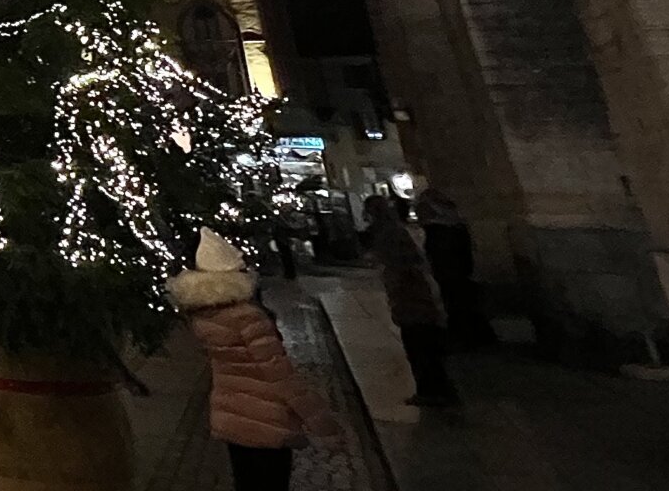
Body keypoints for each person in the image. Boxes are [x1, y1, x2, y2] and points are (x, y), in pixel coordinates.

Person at [170, 227, 341, 491]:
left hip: (232, 416)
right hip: (266, 420)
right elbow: (280, 373)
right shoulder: (247, 317)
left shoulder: (204, 317)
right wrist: (321, 422)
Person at [364, 195, 459, 407]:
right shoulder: (396, 231)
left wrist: (398, 289)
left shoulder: (391, 234)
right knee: (421, 343)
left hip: (412, 297)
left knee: (420, 343)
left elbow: (403, 266)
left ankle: (433, 390)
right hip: (413, 296)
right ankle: (436, 389)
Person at [413, 188, 490, 347]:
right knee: (462, 303)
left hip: (450, 273)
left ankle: (466, 336)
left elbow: (442, 254)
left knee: (458, 303)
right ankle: (474, 334)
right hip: (456, 273)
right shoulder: (455, 227)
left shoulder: (441, 231)